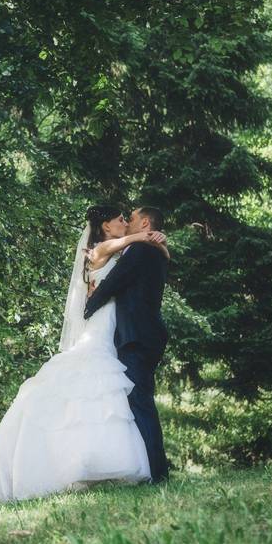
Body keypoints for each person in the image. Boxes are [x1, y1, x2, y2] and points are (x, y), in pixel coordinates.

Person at [0, 205, 168, 509]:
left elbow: (138, 269)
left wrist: (158, 244)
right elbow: (119, 255)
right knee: (92, 390)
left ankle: (99, 463)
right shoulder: (99, 249)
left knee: (108, 398)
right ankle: (73, 465)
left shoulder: (128, 252)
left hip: (114, 330)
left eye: (130, 218)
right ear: (106, 227)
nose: (126, 222)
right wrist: (146, 237)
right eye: (121, 219)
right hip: (99, 326)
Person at [84, 206, 170, 482]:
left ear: (144, 222)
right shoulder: (144, 249)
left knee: (141, 402)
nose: (127, 222)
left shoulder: (143, 250)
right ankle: (148, 469)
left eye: (130, 219)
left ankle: (157, 473)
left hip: (137, 336)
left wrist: (89, 307)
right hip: (142, 334)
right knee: (136, 401)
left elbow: (114, 283)